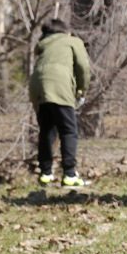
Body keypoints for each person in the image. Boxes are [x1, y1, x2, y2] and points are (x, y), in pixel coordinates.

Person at [29, 19, 91, 187]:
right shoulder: (72, 41)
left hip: (37, 86)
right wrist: (81, 90)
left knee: (47, 130)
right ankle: (70, 174)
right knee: (68, 130)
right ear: (65, 31)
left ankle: (45, 172)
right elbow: (83, 67)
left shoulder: (43, 45)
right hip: (59, 84)